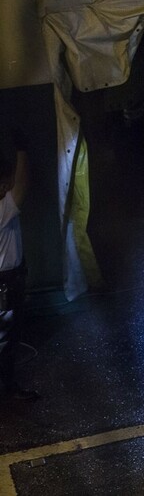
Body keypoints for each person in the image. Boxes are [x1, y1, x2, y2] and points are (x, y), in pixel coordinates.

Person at [0, 136, 38, 401]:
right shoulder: (3, 209)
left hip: (8, 279)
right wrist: (22, 148)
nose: (10, 184)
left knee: (7, 338)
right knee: (5, 340)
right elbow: (23, 184)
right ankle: (7, 391)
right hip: (4, 282)